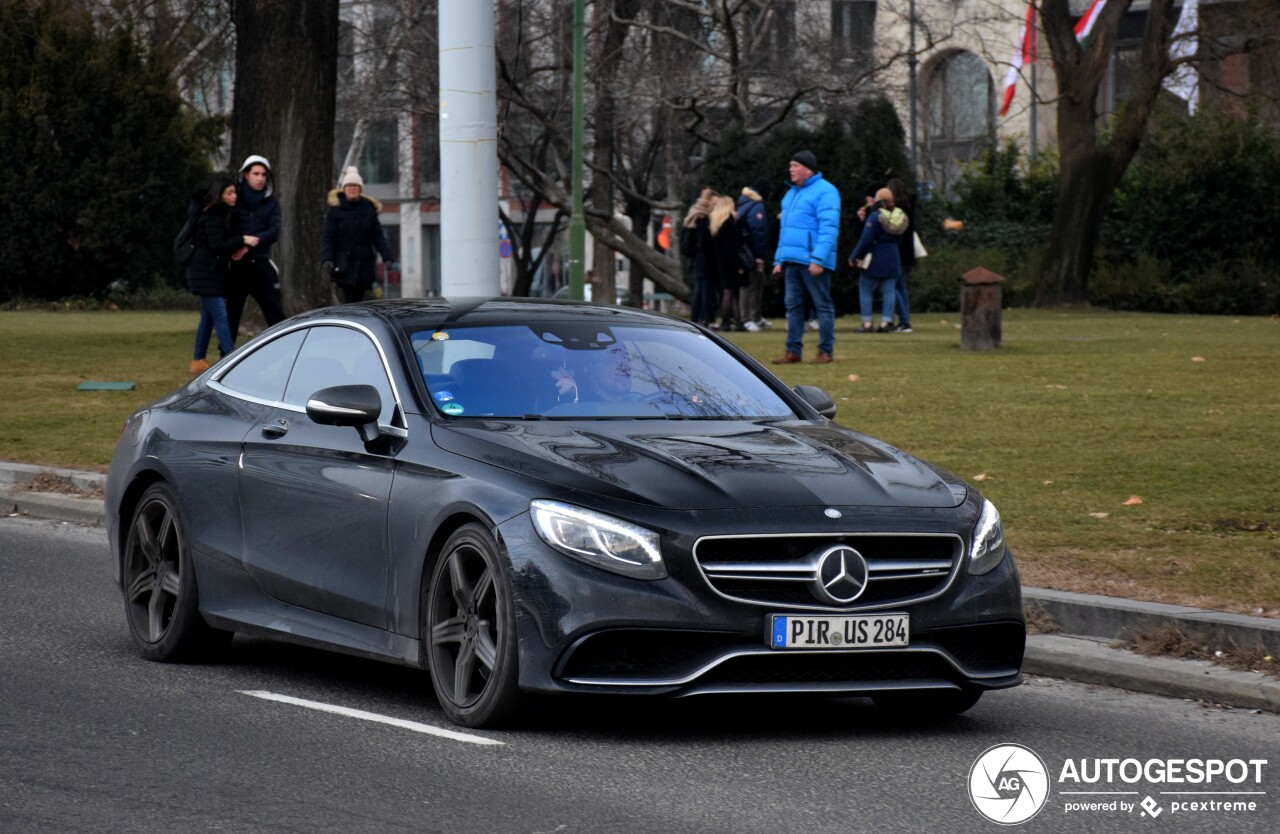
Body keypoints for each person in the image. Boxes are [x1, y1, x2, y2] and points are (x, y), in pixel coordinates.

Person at [771, 150, 841, 364]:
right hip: (792, 261)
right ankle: (793, 351)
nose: (791, 169)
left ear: (808, 168)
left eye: (795, 165)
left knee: (822, 306)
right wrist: (778, 260)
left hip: (812, 260)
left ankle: (825, 351)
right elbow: (785, 231)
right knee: (793, 307)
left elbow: (829, 228)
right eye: (790, 165)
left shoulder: (826, 191)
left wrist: (818, 259)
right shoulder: (791, 194)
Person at [186, 177, 256, 374]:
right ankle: (232, 360)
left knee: (208, 318)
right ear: (220, 195)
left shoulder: (215, 214)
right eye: (229, 193)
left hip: (209, 272)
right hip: (206, 273)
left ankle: (198, 359)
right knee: (219, 315)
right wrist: (243, 240)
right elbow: (217, 246)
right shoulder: (214, 215)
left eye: (235, 192)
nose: (234, 196)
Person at [227, 154, 286, 341]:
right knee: (232, 313)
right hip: (237, 263)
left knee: (274, 312)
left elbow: (273, 231)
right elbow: (227, 227)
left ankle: (286, 351)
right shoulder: (233, 199)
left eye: (263, 174)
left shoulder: (272, 202)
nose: (260, 178)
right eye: (256, 174)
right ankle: (226, 355)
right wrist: (241, 243)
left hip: (261, 262)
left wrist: (252, 244)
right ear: (246, 175)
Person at [322, 167, 394, 304]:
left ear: (360, 188)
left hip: (364, 267)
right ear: (344, 188)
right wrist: (327, 258)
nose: (352, 189)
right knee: (347, 302)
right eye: (349, 185)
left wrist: (387, 256)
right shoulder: (335, 210)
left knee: (361, 303)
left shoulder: (368, 208)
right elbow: (328, 237)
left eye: (355, 185)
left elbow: (378, 236)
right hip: (344, 267)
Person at [848, 187, 908, 333]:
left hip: (875, 256)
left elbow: (865, 239)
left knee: (865, 288)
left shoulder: (875, 217)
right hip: (893, 256)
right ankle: (886, 322)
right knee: (889, 290)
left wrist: (854, 255)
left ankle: (867, 323)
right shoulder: (899, 216)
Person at [735, 178, 773, 332]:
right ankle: (747, 318)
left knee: (756, 282)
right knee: (750, 285)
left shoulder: (745, 204)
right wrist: (759, 256)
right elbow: (759, 233)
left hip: (745, 250)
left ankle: (755, 317)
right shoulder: (757, 206)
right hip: (750, 253)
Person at [680, 188, 719, 329]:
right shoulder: (703, 218)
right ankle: (705, 319)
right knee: (705, 291)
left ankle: (696, 318)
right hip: (705, 259)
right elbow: (704, 240)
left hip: (697, 259)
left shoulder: (694, 214)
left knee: (699, 290)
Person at [709, 195, 748, 331]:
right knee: (731, 294)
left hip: (722, 264)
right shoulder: (729, 225)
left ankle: (734, 322)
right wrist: (738, 266)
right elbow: (732, 248)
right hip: (730, 264)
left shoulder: (717, 225)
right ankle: (730, 322)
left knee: (730, 293)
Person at [550, 346, 636, 403]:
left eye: (625, 359)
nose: (623, 366)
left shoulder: (637, 404)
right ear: (589, 370)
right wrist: (571, 394)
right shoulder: (580, 403)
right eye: (612, 361)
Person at [886, 177, 916, 333]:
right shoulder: (909, 206)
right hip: (907, 250)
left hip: (896, 250)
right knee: (901, 285)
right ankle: (904, 317)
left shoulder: (897, 210)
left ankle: (903, 320)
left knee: (892, 285)